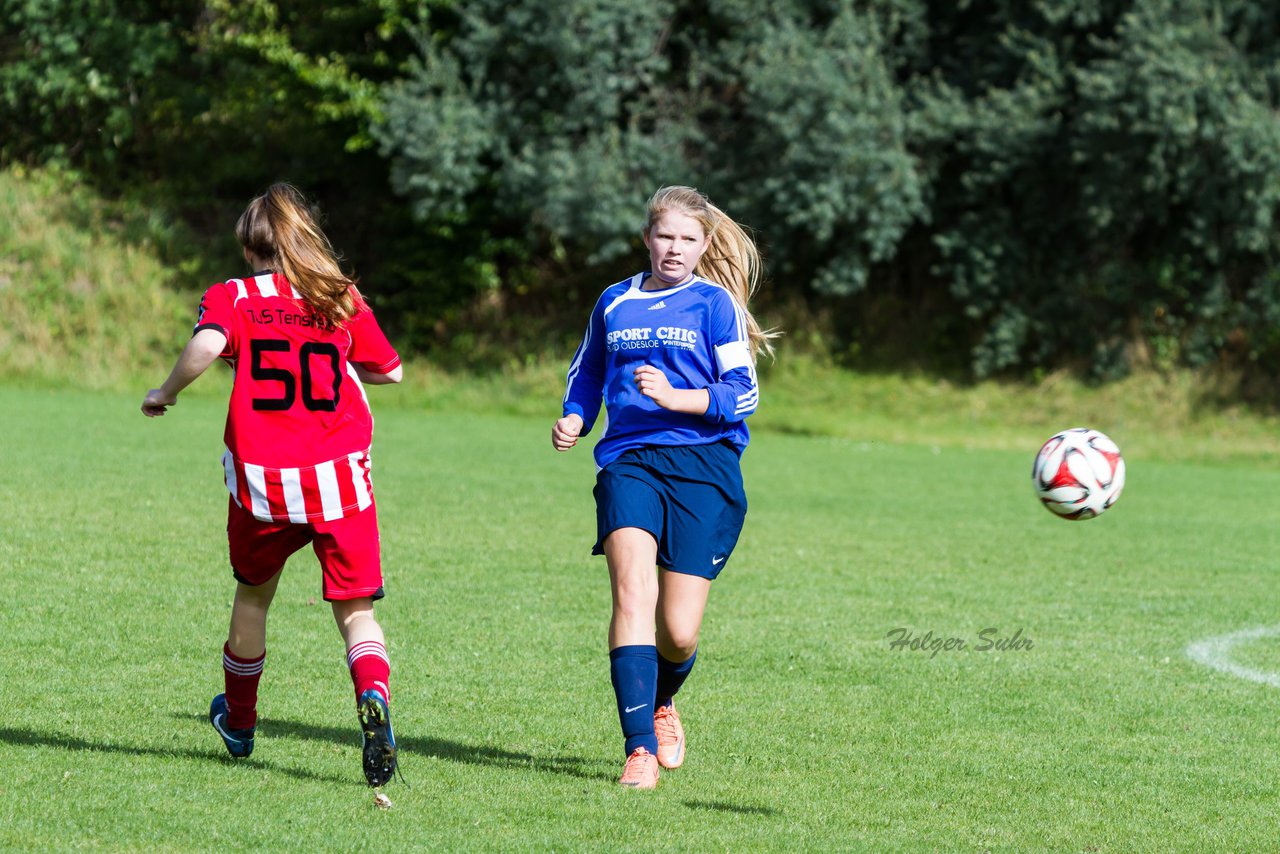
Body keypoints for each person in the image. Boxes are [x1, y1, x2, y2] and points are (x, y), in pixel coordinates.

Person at [141, 183, 404, 787]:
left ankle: (238, 719)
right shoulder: (337, 296)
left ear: (248, 245)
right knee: (355, 611)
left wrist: (166, 391)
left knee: (254, 596)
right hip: (339, 477)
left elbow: (208, 344)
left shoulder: (233, 297)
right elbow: (390, 370)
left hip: (263, 481)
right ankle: (374, 698)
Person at [552, 185, 776, 789]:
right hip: (628, 462)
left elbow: (745, 395)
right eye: (665, 236)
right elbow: (590, 369)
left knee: (677, 632)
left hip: (705, 467)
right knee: (631, 595)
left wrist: (681, 398)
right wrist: (576, 414)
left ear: (704, 246)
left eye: (688, 238)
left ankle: (663, 698)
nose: (674, 248)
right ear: (646, 238)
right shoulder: (614, 301)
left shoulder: (714, 306)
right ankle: (639, 749)